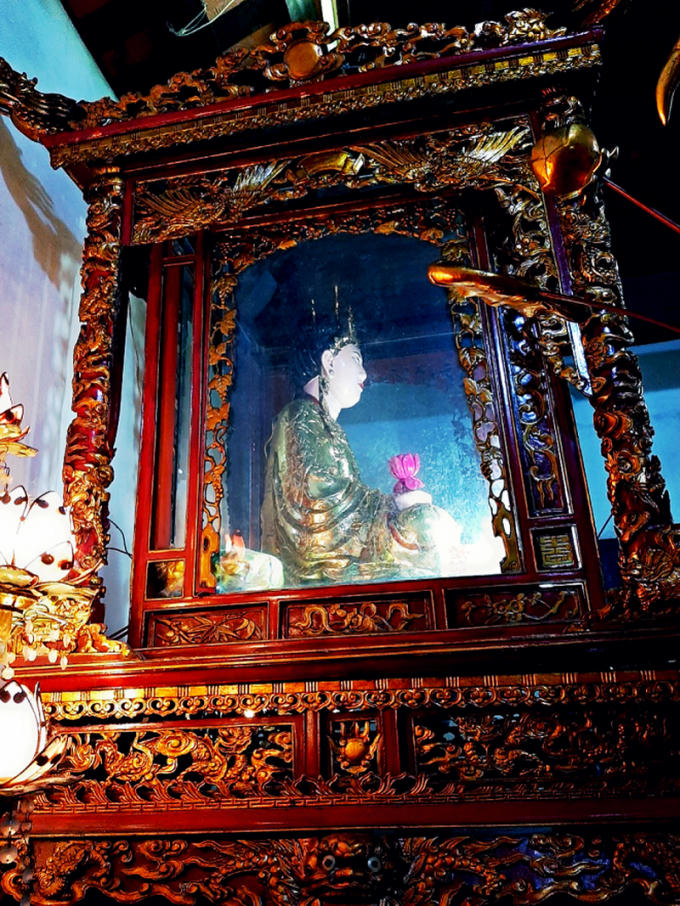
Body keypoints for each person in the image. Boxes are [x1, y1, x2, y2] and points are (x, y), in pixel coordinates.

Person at [260, 318, 466, 586]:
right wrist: (388, 506)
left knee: (429, 525)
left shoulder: (327, 425)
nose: (364, 374)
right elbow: (317, 492)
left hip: (348, 544)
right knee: (426, 522)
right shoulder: (299, 414)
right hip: (321, 559)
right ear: (328, 362)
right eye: (355, 360)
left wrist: (392, 507)